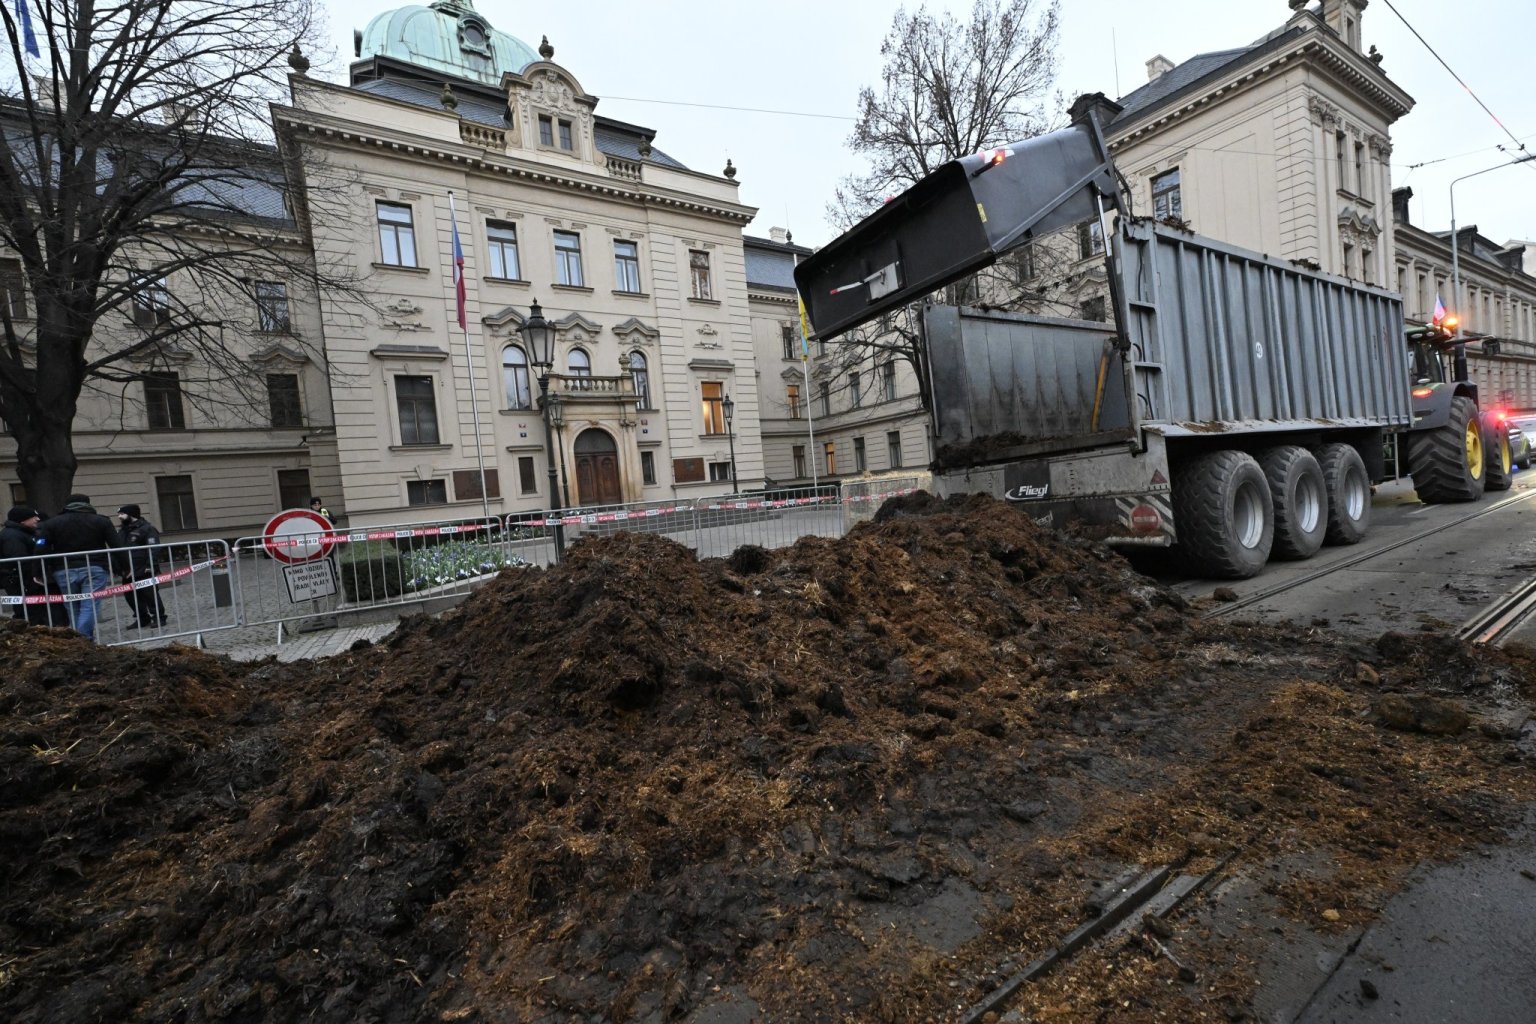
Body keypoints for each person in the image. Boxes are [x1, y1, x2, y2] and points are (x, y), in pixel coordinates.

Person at [37, 494, 124, 641]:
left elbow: (40, 547)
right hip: (94, 567)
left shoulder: (51, 523)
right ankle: (83, 638)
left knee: (72, 604)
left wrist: (39, 571)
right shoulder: (101, 521)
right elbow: (116, 545)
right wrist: (125, 566)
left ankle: (79, 639)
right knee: (89, 604)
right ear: (88, 504)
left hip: (63, 569)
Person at [0, 506, 55, 627]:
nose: (37, 519)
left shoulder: (25, 533)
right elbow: (18, 558)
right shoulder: (12, 535)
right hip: (19, 578)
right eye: (33, 517)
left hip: (26, 577)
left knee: (35, 609)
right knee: (26, 610)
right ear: (22, 520)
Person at [116, 504, 168, 629]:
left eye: (122, 514)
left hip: (143, 568)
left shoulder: (147, 529)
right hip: (128, 570)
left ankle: (159, 617)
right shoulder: (123, 531)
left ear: (131, 514)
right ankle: (142, 617)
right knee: (130, 596)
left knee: (149, 594)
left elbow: (153, 548)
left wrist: (150, 565)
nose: (119, 517)